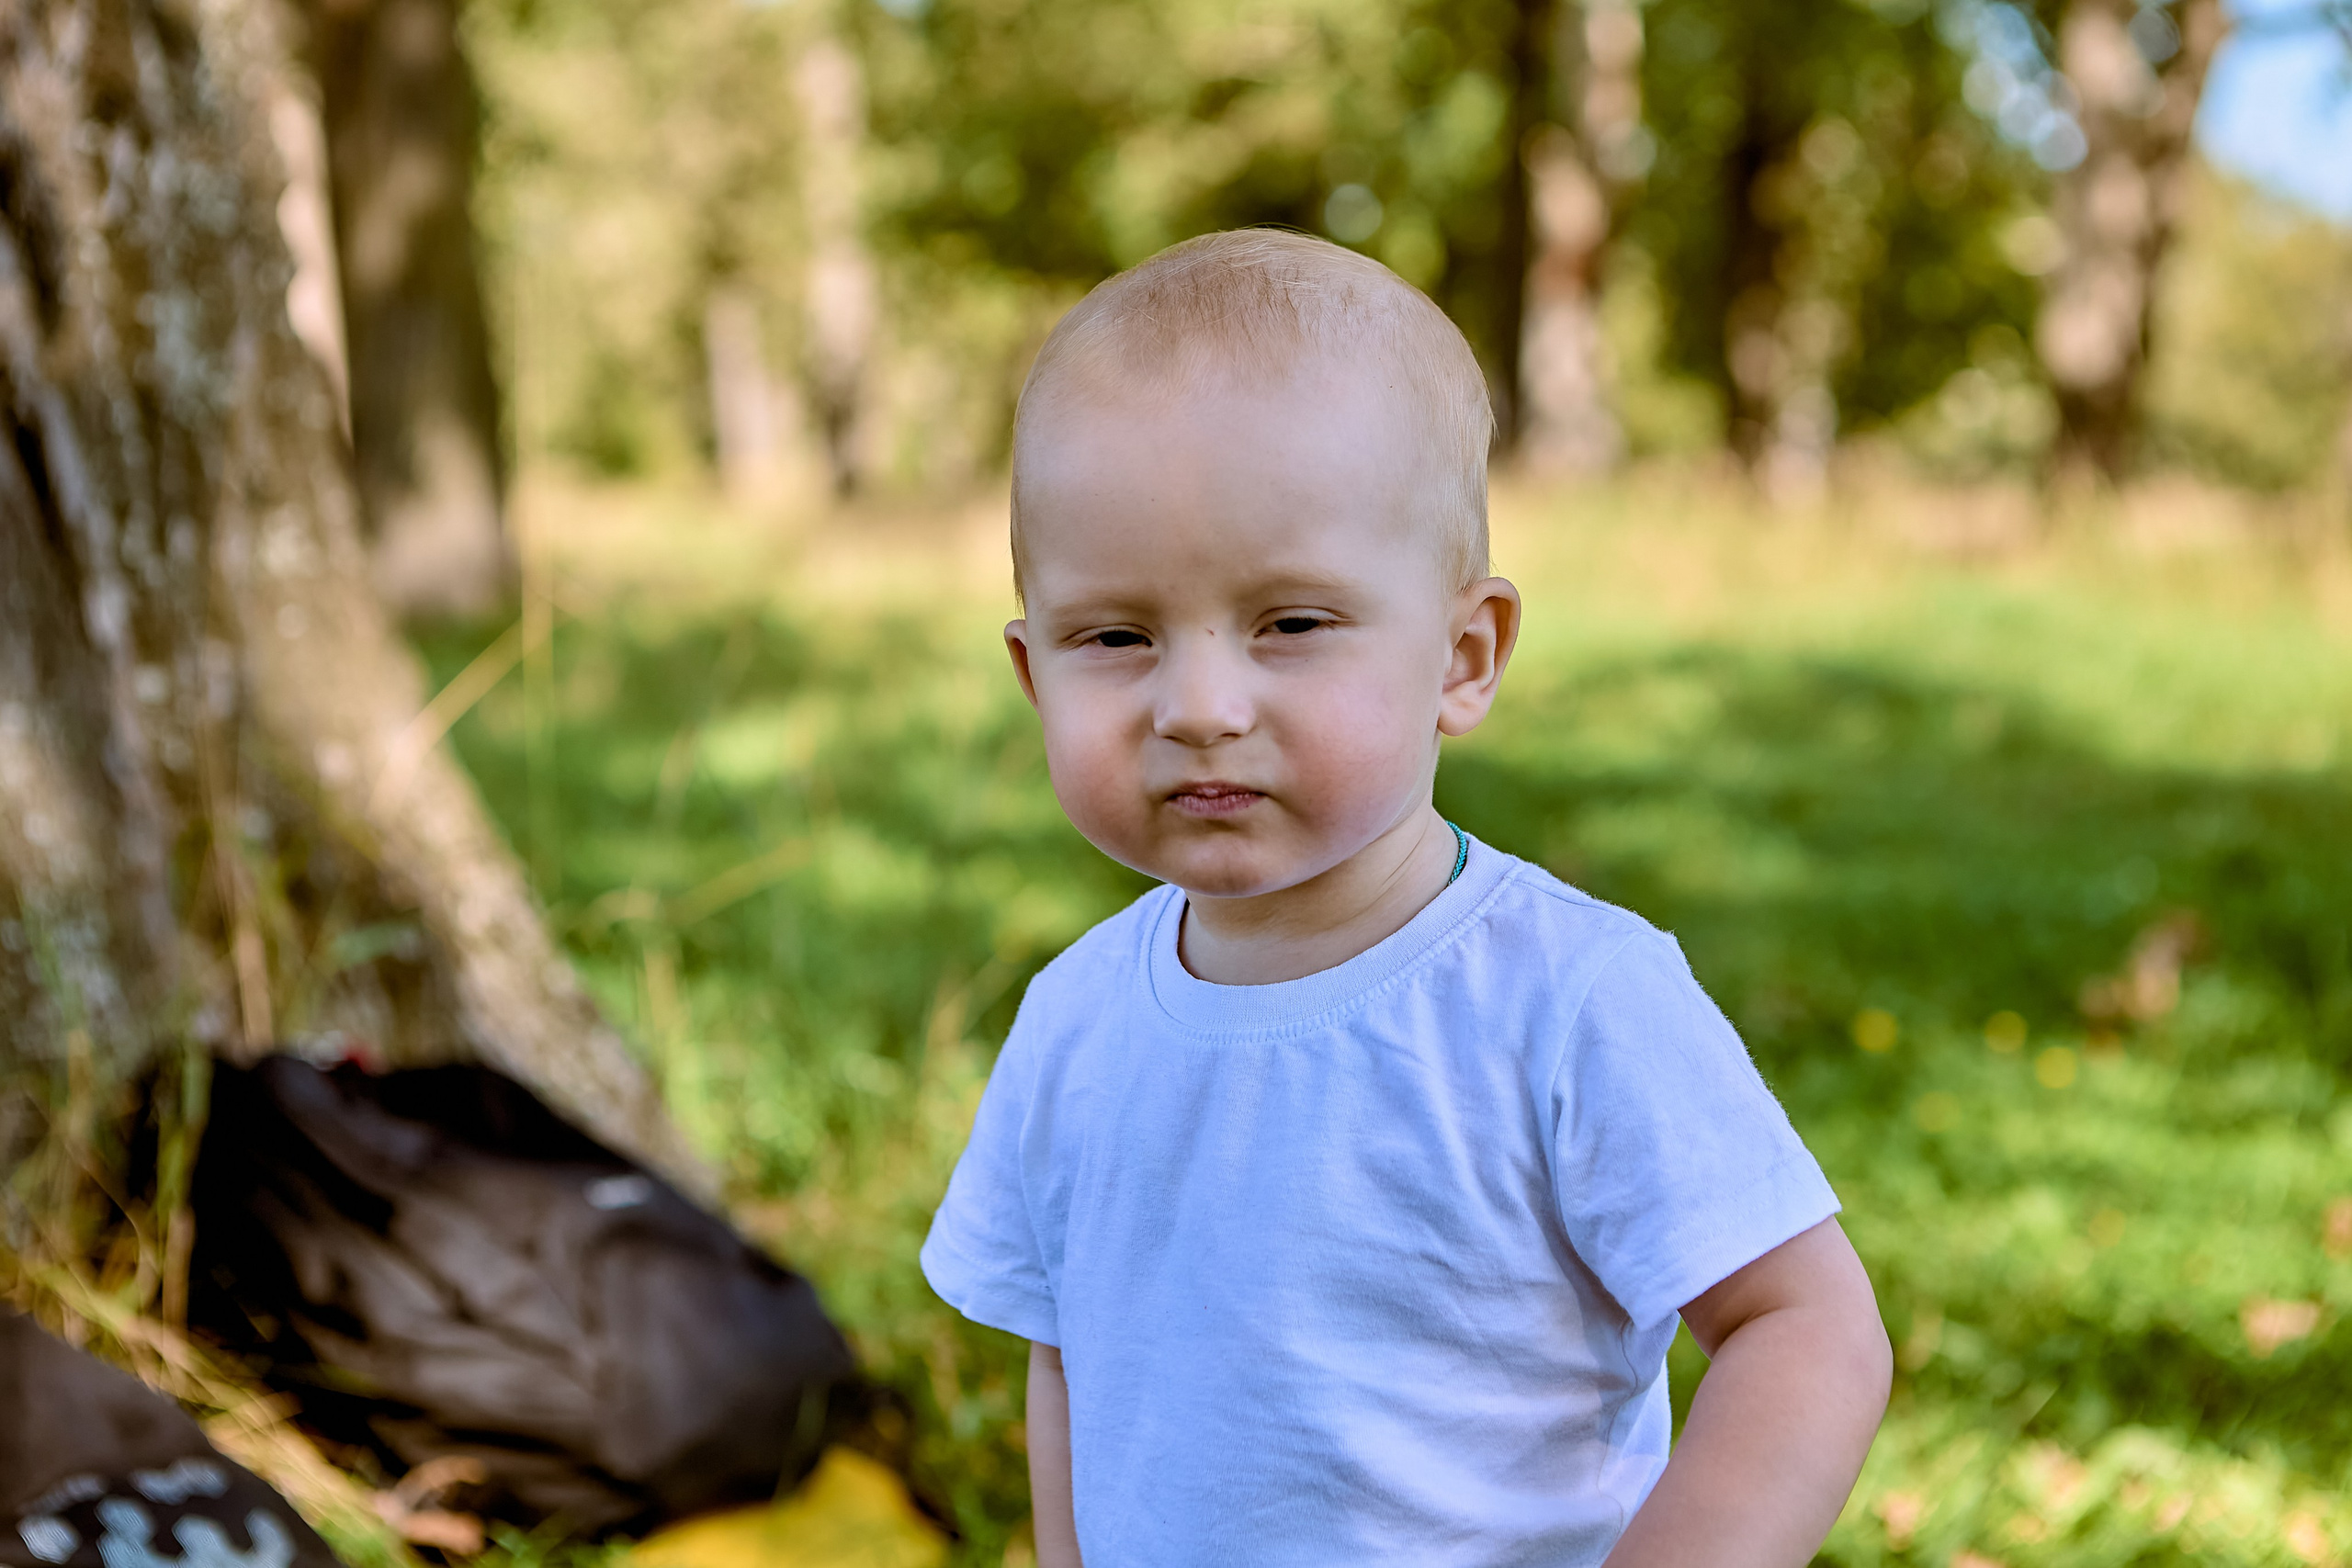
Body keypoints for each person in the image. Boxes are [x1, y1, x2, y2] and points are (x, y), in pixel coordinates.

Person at [920, 229, 1890, 1567]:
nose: (1199, 707)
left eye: (1293, 624)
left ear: (1464, 655)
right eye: (1117, 637)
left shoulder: (1567, 1000)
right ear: (1036, 677)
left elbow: (1809, 1330)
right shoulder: (1074, 1022)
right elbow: (1070, 1361)